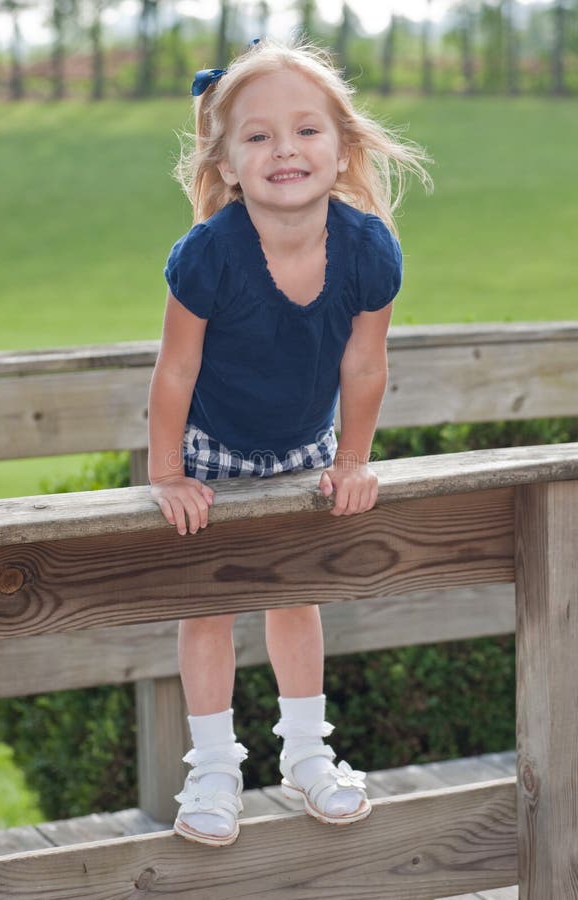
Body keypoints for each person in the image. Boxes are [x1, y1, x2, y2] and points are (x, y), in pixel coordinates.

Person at [148, 38, 431, 847]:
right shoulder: (208, 255)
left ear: (342, 150)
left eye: (307, 131)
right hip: (213, 449)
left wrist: (351, 461)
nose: (285, 150)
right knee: (208, 604)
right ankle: (212, 767)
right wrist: (168, 474)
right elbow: (175, 371)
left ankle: (307, 753)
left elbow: (365, 362)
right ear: (229, 163)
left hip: (306, 445)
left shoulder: (370, 249)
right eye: (259, 135)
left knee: (296, 593)